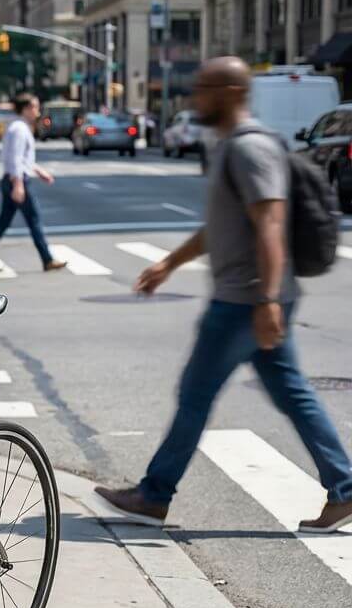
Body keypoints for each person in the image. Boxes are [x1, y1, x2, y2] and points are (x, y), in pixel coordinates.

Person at [96, 56, 352, 532]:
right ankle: (345, 487)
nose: (197, 97)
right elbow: (221, 226)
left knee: (196, 392)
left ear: (232, 92)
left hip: (245, 299)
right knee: (292, 392)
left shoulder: (249, 149)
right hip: (254, 295)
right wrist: (169, 263)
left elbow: (271, 224)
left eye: (206, 88)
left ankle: (154, 494)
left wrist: (267, 300)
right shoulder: (230, 147)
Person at [0, 93, 65, 273]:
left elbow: (21, 159)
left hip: (14, 178)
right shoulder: (19, 129)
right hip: (17, 179)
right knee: (33, 219)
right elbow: (14, 160)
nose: (37, 111)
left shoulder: (17, 127)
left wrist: (38, 171)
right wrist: (18, 185)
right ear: (26, 109)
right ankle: (47, 259)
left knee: (4, 221)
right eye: (35, 107)